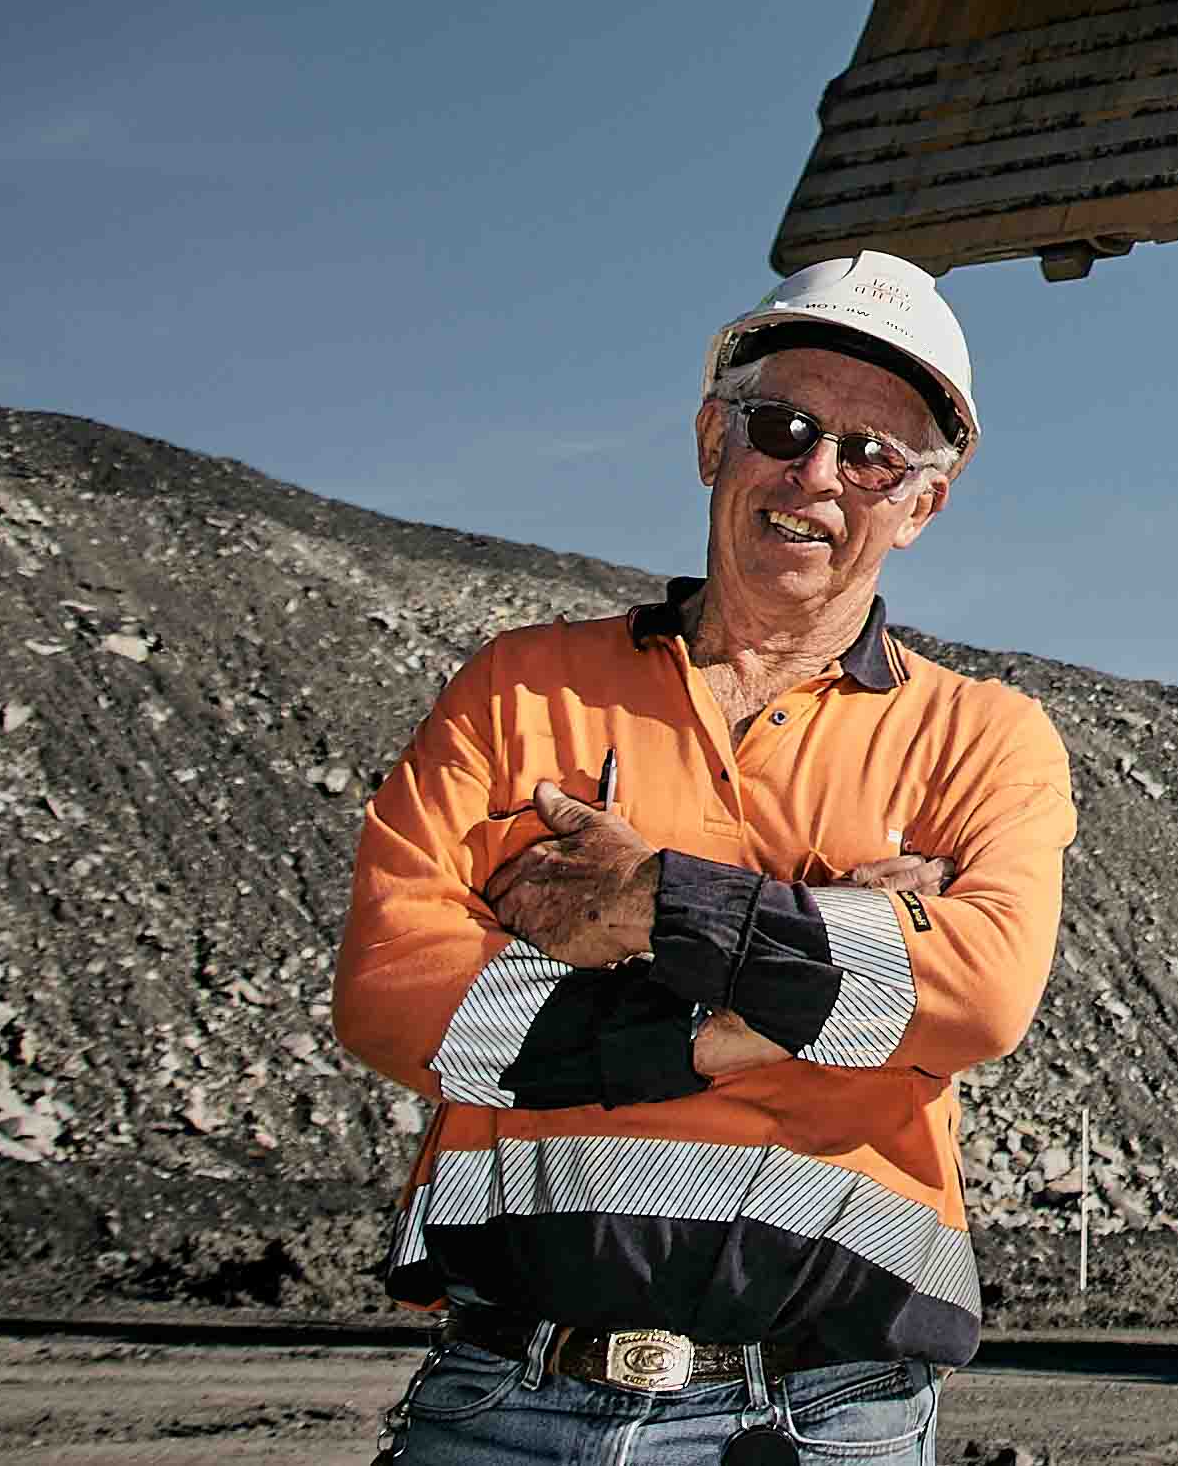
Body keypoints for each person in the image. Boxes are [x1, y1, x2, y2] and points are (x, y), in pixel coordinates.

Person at [335, 253, 1076, 1464]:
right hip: (505, 1399)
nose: (817, 475)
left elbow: (981, 992)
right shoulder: (520, 689)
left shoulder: (982, 734)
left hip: (823, 1413)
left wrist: (651, 900)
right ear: (709, 438)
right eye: (781, 426)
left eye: (873, 453)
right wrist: (795, 977)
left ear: (924, 501)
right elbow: (392, 995)